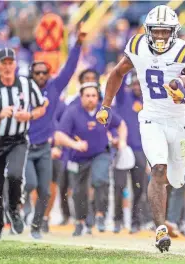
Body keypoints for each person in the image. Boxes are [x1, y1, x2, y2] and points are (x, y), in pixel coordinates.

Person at [95, 5, 185, 252]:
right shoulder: (137, 46)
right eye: (156, 32)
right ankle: (160, 230)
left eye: (164, 32)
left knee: (178, 181)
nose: (159, 36)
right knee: (158, 169)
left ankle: (166, 210)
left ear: (174, 32)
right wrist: (106, 105)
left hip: (178, 121)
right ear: (148, 31)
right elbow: (117, 73)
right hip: (151, 118)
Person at [24, 24, 85, 238]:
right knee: (30, 183)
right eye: (37, 72)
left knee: (46, 189)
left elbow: (69, 68)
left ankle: (38, 224)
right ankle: (22, 210)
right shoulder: (22, 89)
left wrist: (77, 43)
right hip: (23, 145)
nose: (41, 75)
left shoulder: (54, 87)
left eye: (44, 72)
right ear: (31, 74)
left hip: (46, 147)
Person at [0, 47, 46, 241]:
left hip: (18, 139)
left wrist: (30, 115)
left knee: (16, 174)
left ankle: (15, 209)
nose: (8, 66)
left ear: (16, 65)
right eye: (4, 63)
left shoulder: (26, 84)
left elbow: (42, 106)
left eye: (11, 63)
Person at [55, 82, 126, 236]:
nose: (91, 99)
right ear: (81, 97)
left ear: (98, 97)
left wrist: (122, 141)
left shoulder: (104, 111)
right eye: (87, 95)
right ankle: (80, 222)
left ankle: (100, 215)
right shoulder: (72, 112)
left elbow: (121, 125)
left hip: (100, 153)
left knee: (100, 179)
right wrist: (75, 144)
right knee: (78, 191)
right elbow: (59, 135)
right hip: (78, 157)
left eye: (93, 95)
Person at [112, 73, 147, 234]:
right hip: (123, 148)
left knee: (139, 188)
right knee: (119, 186)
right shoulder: (122, 97)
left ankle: (135, 221)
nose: (137, 87)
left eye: (139, 84)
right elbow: (117, 79)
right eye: (134, 83)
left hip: (141, 150)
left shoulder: (149, 101)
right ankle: (117, 219)